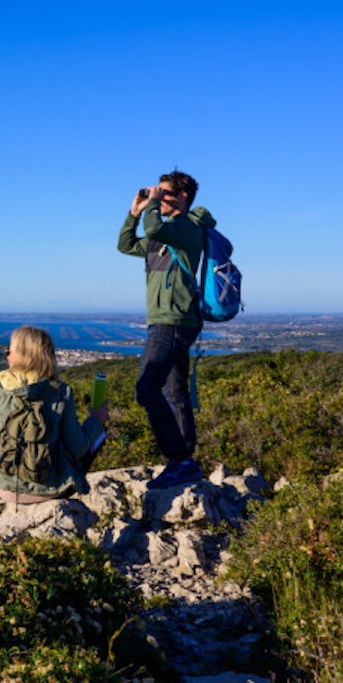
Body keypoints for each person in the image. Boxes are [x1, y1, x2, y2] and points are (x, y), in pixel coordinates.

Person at [117, 170, 217, 490]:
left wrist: (152, 207)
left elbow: (155, 225)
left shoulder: (187, 229)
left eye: (165, 192)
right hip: (166, 320)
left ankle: (180, 459)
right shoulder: (161, 235)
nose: (159, 197)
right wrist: (133, 214)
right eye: (158, 192)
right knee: (175, 392)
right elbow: (126, 244)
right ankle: (186, 458)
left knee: (147, 390)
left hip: (173, 320)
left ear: (183, 197)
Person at [0, 325, 108, 504]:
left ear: (19, 355)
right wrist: (96, 419)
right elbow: (78, 448)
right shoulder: (61, 392)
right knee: (96, 434)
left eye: (9, 351)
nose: (7, 355)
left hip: (3, 487)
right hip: (50, 489)